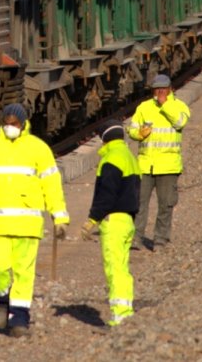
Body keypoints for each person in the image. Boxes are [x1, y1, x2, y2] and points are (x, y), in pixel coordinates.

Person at [0, 103, 69, 337]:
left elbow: (52, 185)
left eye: (14, 124)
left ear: (23, 123)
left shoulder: (39, 149)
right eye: (6, 123)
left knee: (24, 274)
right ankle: (4, 299)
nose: (10, 127)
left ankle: (20, 319)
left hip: (29, 225)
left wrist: (59, 216)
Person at [81, 120, 141, 326]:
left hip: (114, 222)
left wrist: (92, 220)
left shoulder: (110, 160)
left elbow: (105, 196)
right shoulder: (129, 157)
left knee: (113, 269)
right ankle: (127, 311)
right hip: (128, 221)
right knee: (123, 269)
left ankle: (119, 316)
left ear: (104, 139)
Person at [128, 74, 190, 250]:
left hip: (168, 166)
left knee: (166, 204)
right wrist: (139, 133)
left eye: (163, 89)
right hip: (145, 165)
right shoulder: (144, 108)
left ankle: (160, 239)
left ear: (170, 89)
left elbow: (180, 122)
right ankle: (136, 238)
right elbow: (132, 129)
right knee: (139, 204)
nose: (160, 92)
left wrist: (165, 105)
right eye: (157, 89)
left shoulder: (178, 106)